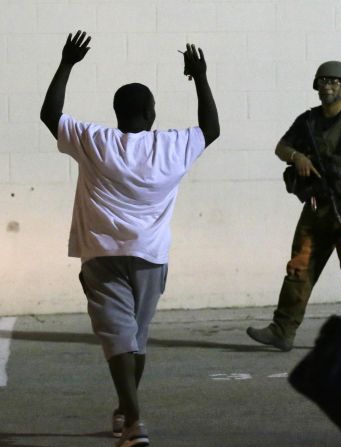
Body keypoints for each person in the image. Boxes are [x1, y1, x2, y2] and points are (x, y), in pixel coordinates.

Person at [40, 31, 219, 447]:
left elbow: (51, 116)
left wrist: (67, 63)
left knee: (119, 339)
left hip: (102, 256)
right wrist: (200, 78)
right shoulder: (170, 146)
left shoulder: (97, 142)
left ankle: (132, 417)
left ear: (118, 111)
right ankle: (129, 413)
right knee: (135, 338)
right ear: (151, 113)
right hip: (152, 259)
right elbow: (211, 128)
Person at [246, 61, 341, 351]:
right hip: (317, 207)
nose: (328, 86)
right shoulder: (307, 121)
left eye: (336, 81)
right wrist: (297, 157)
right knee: (299, 267)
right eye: (324, 80)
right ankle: (282, 330)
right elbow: (281, 147)